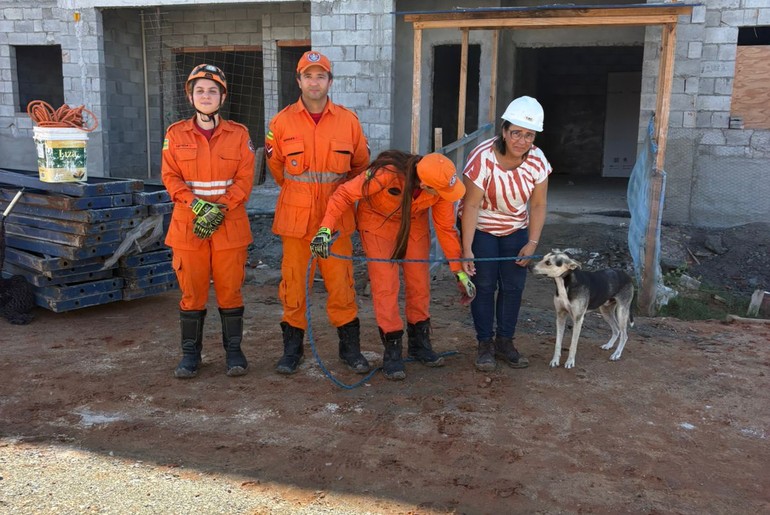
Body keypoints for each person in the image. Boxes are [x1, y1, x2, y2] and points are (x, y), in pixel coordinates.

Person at [310, 151, 476, 380]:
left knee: (419, 284)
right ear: (426, 184)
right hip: (378, 225)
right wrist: (325, 229)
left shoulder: (441, 191)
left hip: (414, 226)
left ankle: (420, 344)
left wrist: (459, 271)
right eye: (441, 190)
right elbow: (344, 194)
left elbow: (446, 229)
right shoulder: (385, 174)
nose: (447, 194)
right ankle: (393, 350)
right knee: (385, 287)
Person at [265, 50, 370, 375]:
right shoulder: (281, 122)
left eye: (320, 75)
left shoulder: (348, 121)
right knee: (294, 284)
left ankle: (350, 350)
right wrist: (302, 194)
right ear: (299, 80)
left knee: (341, 284)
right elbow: (278, 170)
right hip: (296, 221)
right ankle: (292, 351)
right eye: (308, 75)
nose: (314, 81)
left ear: (329, 81)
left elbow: (361, 167)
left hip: (336, 221)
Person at [162, 63, 255, 379]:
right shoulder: (175, 134)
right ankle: (191, 355)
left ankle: (234, 352)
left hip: (229, 226)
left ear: (222, 96)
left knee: (230, 291)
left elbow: (244, 180)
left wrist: (220, 208)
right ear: (190, 96)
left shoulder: (239, 135)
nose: (206, 95)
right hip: (189, 226)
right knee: (192, 292)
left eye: (212, 90)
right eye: (199, 90)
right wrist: (197, 206)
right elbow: (170, 176)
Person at [459, 96, 552, 372]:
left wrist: (532, 242)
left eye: (529, 135)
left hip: (516, 230)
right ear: (504, 130)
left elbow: (538, 204)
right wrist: (467, 249)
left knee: (513, 287)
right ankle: (484, 344)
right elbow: (471, 205)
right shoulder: (482, 158)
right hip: (482, 230)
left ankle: (505, 342)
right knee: (484, 286)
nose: (522, 141)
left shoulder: (537, 160)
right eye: (516, 133)